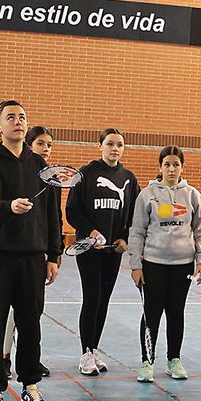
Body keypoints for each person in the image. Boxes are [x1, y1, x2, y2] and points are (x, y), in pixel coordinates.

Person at [0, 100, 62, 401]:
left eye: (22, 117)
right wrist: (7, 208)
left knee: (30, 325)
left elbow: (53, 214)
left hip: (32, 259)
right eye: (10, 117)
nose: (18, 121)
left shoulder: (40, 166)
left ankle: (30, 384)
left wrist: (54, 254)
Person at [127, 145, 201, 382]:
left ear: (182, 167)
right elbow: (137, 231)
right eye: (167, 164)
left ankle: (174, 359)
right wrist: (135, 264)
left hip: (183, 265)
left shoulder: (192, 195)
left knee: (176, 312)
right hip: (153, 264)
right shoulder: (147, 194)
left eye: (176, 164)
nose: (171, 169)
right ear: (160, 167)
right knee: (151, 313)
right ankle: (146, 361)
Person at [66, 128, 139, 376]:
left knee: (104, 300)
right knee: (92, 297)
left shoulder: (129, 178)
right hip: (88, 249)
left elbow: (133, 216)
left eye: (119, 144)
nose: (114, 148)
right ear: (100, 146)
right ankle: (85, 353)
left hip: (113, 251)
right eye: (110, 144)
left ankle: (94, 349)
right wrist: (91, 232)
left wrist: (124, 239)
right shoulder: (85, 174)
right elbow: (72, 211)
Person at [3, 124, 58, 379]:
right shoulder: (19, 171)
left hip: (37, 255)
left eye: (49, 145)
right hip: (12, 254)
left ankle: (29, 361)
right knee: (9, 314)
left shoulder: (50, 177)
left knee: (31, 315)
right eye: (40, 144)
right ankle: (3, 357)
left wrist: (54, 256)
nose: (45, 149)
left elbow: (53, 218)